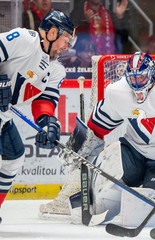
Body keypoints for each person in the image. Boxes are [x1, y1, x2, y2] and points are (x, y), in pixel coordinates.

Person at [56, 51, 155, 222]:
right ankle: (93, 199)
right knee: (104, 200)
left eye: (141, 78)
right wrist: (79, 147)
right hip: (133, 153)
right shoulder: (118, 91)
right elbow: (95, 129)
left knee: (147, 212)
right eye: (132, 78)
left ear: (152, 75)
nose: (136, 84)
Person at [0, 10, 75, 223]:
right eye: (65, 39)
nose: (66, 46)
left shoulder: (56, 70)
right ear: (52, 32)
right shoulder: (25, 40)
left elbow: (44, 103)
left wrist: (48, 124)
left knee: (13, 158)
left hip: (3, 116)